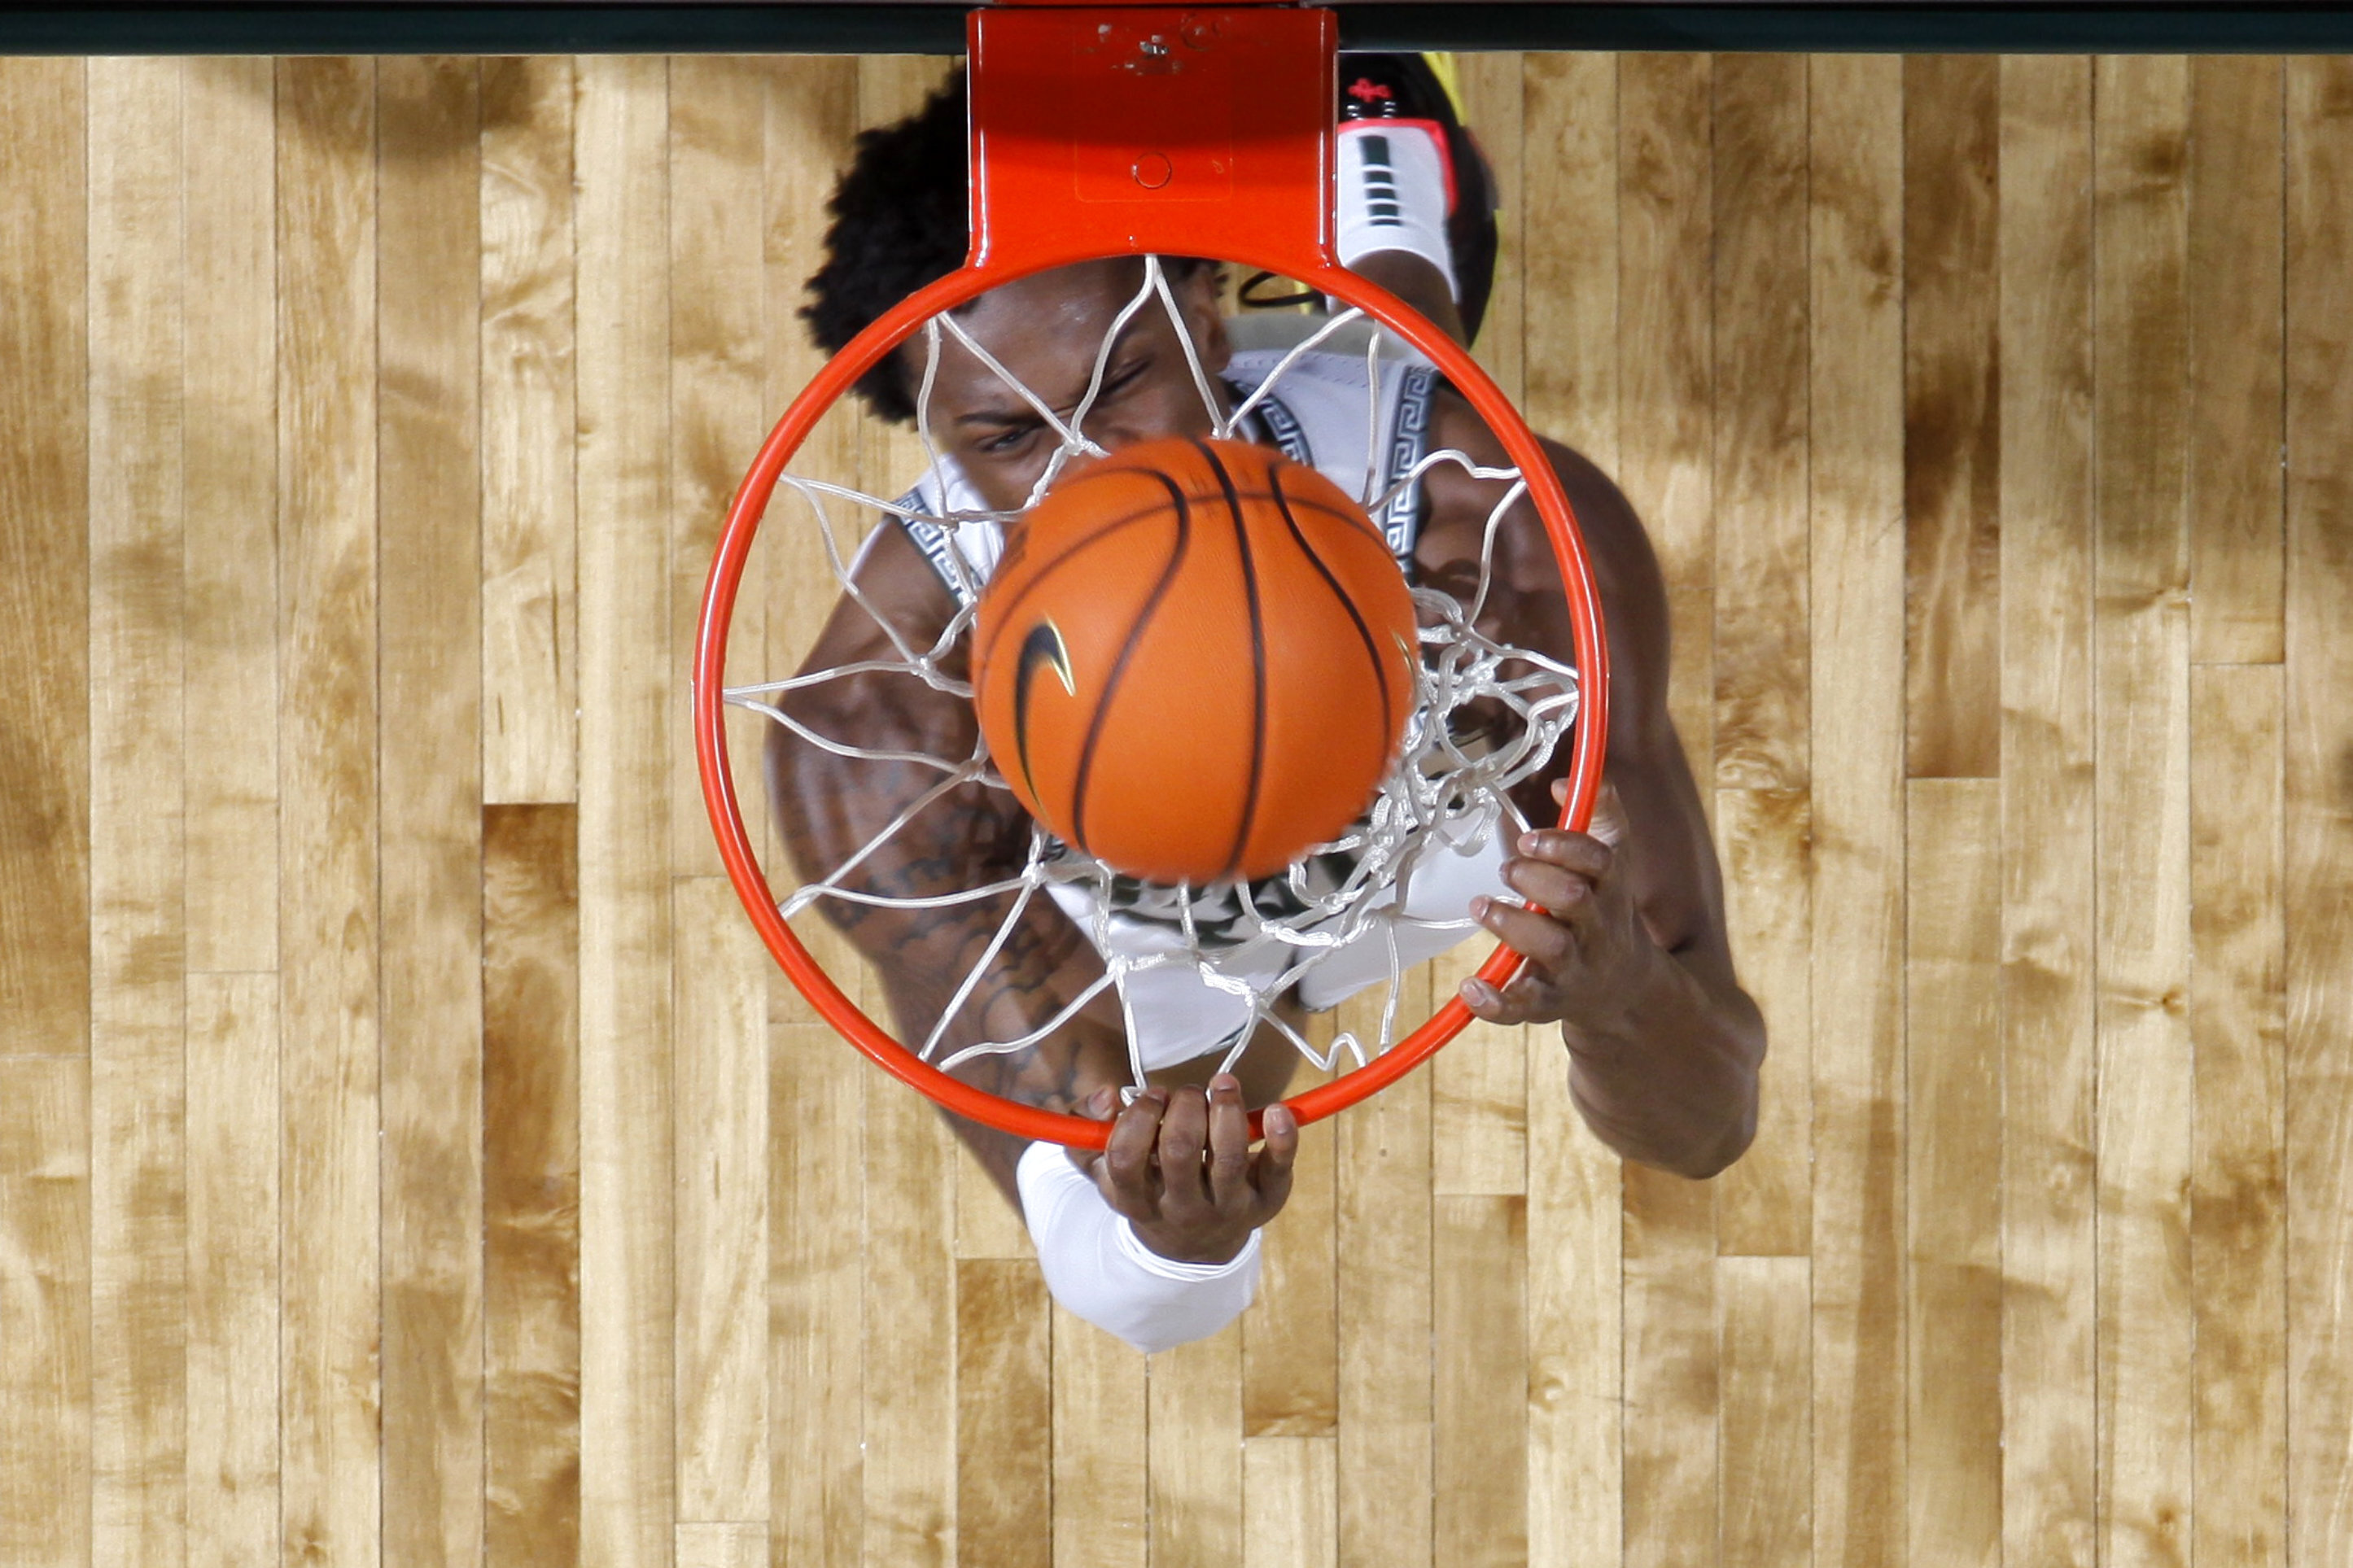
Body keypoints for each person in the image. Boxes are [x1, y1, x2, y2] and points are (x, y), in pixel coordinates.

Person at [769, 58, 1765, 1353]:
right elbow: (1087, 1240)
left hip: (1431, 829)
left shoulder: (1506, 542)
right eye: (1008, 439)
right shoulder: (883, 731)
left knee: (1406, 367)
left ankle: (1398, 240)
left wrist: (1626, 993)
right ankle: (1379, 252)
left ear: (1206, 303)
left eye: (1120, 381)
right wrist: (1182, 1247)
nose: (1090, 467)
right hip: (1135, 931)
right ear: (939, 439)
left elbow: (1711, 1129)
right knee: (1145, 1241)